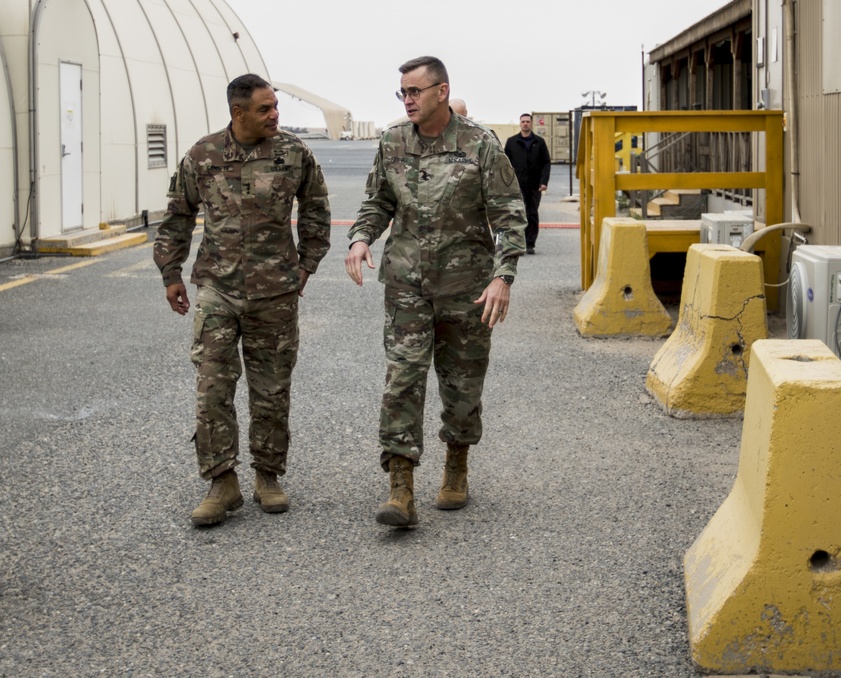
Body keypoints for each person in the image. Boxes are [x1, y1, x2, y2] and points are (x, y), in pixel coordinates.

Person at [345, 56, 526, 527]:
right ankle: (400, 487)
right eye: (402, 93)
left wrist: (502, 277)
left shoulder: (479, 144)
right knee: (402, 379)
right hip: (406, 283)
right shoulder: (391, 142)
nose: (407, 100)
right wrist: (362, 236)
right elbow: (378, 200)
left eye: (415, 92)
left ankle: (456, 466)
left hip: (467, 287)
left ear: (441, 92)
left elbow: (509, 214)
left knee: (462, 384)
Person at [154, 73, 332, 527]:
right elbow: (178, 212)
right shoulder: (203, 155)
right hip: (217, 287)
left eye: (276, 107)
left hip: (275, 292)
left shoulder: (294, 154)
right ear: (238, 113)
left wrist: (306, 265)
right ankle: (221, 481)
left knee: (271, 389)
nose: (276, 115)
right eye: (266, 109)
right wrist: (170, 272)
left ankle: (268, 475)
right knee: (212, 386)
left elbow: (317, 209)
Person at [504, 114, 551, 255]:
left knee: (532, 214)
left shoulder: (539, 142)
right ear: (520, 123)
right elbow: (505, 163)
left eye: (527, 122)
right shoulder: (512, 142)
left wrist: (544, 181)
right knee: (516, 215)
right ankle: (518, 244)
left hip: (534, 185)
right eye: (523, 121)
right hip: (516, 185)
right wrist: (506, 182)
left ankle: (530, 244)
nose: (525, 124)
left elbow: (546, 163)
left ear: (531, 124)